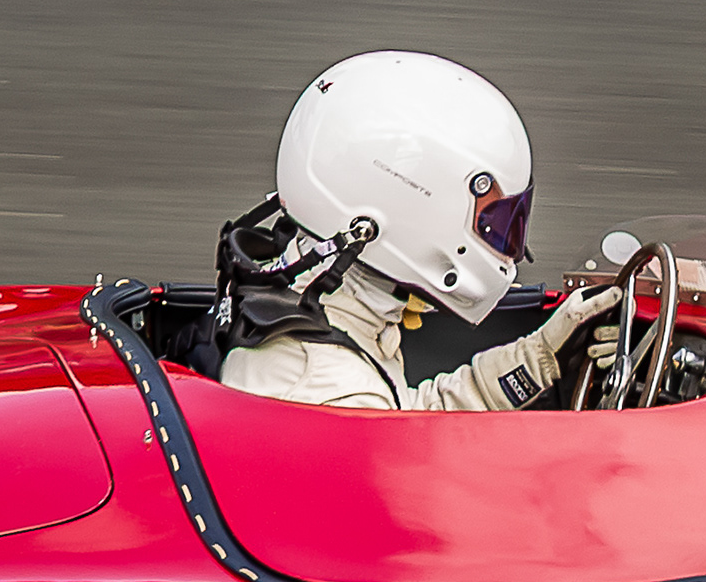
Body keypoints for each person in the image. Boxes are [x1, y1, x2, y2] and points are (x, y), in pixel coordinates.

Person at [215, 52, 621, 410]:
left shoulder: (312, 301)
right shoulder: (333, 393)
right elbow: (406, 439)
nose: (505, 247)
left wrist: (541, 358)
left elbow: (410, 417)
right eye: (493, 224)